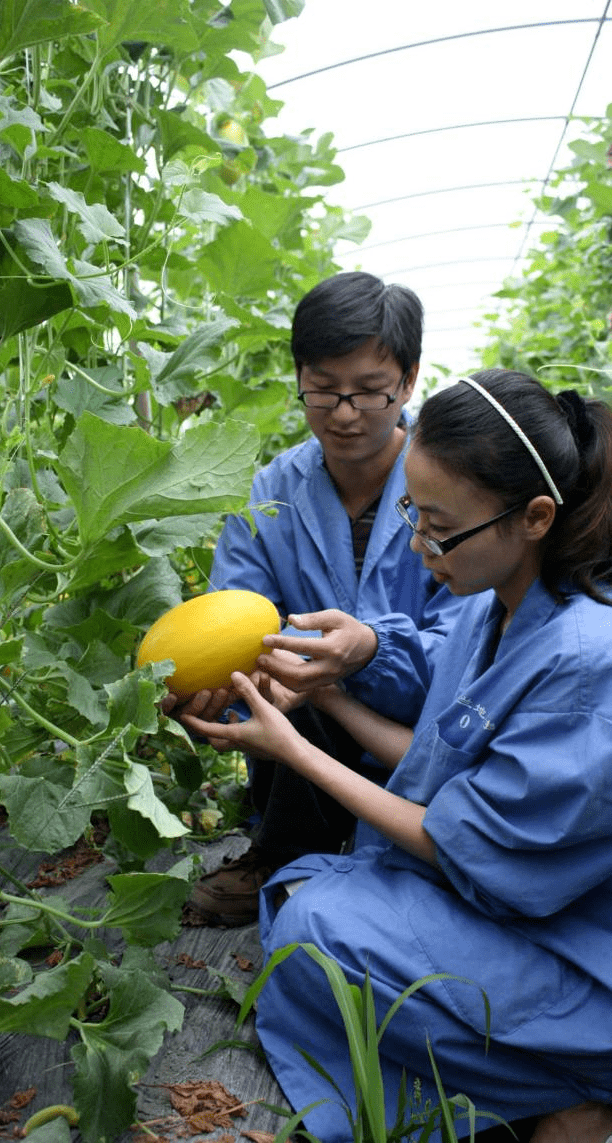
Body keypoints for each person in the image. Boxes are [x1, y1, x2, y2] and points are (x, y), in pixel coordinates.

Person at [182, 369, 612, 1143]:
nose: (417, 545)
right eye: (411, 512)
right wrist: (325, 694)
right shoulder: (494, 603)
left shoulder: (587, 658)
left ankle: (572, 1083)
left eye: (437, 527)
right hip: (502, 911)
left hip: (573, 955)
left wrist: (297, 753)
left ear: (536, 516)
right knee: (308, 898)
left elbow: (465, 843)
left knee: (314, 927)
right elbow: (437, 754)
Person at [181, 270, 487, 926]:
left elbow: (471, 647)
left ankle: (347, 865)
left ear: (407, 381)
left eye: (369, 392)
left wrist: (368, 652)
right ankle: (282, 853)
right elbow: (230, 611)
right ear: (299, 376)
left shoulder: (454, 489)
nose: (344, 413)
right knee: (287, 689)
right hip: (301, 748)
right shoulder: (270, 492)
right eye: (323, 389)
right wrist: (221, 689)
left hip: (423, 749)